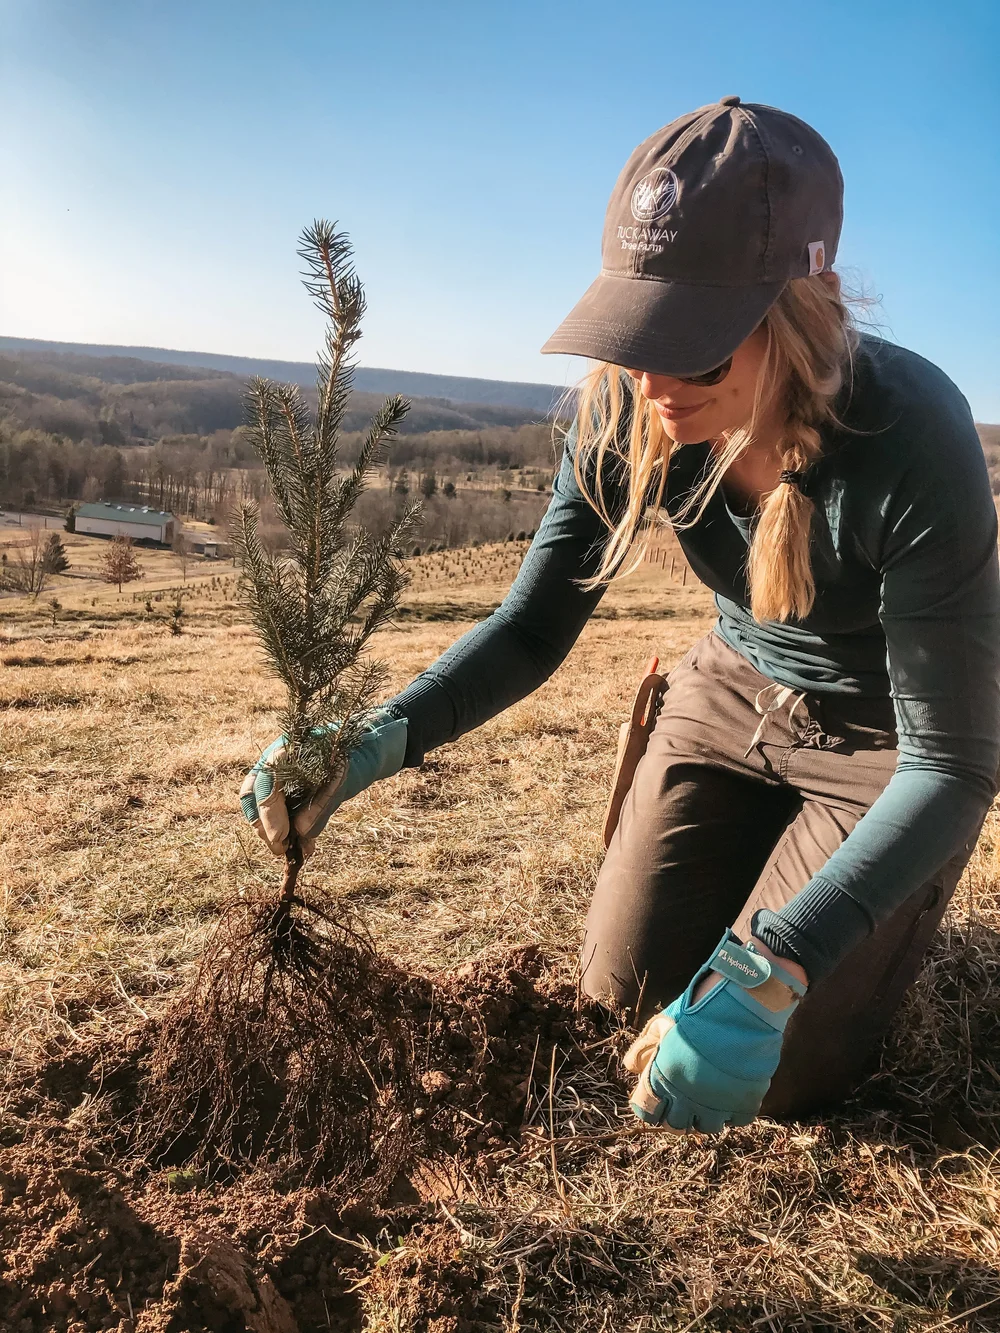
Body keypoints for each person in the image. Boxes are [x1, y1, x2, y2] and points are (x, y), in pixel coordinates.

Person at [240, 97, 1000, 1135]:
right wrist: (378, 736)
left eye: (694, 346)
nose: (651, 382)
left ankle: (854, 908)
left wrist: (780, 962)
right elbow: (531, 628)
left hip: (887, 739)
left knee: (773, 1075)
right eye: (634, 334)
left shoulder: (912, 433)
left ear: (805, 311)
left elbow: (950, 765)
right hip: (731, 694)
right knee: (618, 1002)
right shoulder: (627, 405)